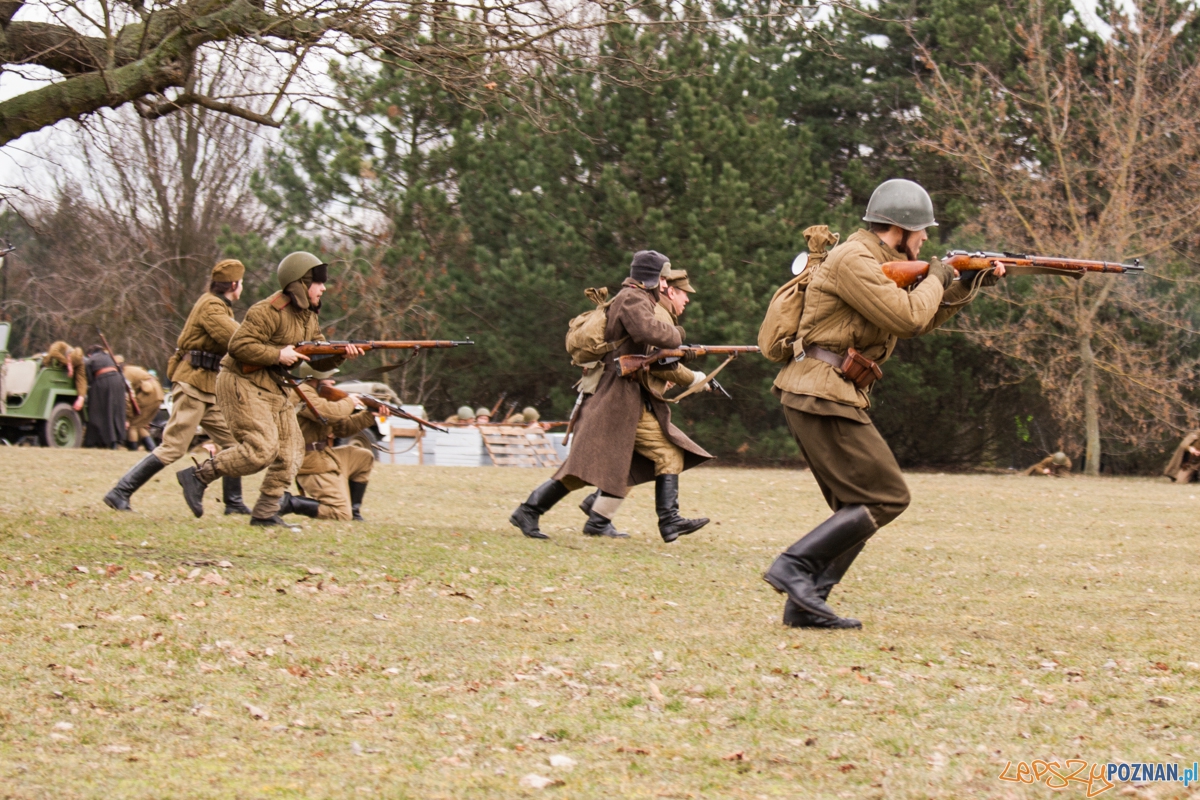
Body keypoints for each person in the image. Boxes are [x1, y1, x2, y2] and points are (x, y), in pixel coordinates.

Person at [762, 179, 1005, 630]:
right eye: (923, 230)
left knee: (857, 507)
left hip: (827, 392)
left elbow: (919, 318)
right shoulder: (854, 259)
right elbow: (907, 317)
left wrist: (966, 284)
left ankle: (807, 603)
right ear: (902, 227)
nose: (926, 238)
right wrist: (939, 276)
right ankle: (793, 567)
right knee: (887, 496)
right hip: (821, 391)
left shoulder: (876, 262)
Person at [510, 250, 712, 542]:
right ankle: (667, 521)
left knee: (606, 465)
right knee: (593, 466)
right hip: (617, 398)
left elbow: (648, 350)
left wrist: (678, 353)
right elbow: (648, 332)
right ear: (653, 278)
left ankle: (549, 514)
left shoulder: (635, 298)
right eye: (663, 278)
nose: (665, 285)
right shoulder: (632, 299)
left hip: (623, 397)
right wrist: (678, 337)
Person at [175, 252, 361, 525]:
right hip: (242, 383)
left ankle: (265, 513)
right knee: (261, 450)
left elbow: (318, 358)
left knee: (292, 454)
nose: (323, 288)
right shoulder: (268, 310)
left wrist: (341, 354)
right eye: (318, 282)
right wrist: (277, 354)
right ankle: (198, 476)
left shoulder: (308, 317)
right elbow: (238, 346)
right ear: (300, 283)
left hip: (276, 389)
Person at [103, 259, 251, 514]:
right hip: (193, 383)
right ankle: (120, 492)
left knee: (235, 443)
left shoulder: (220, 306)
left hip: (208, 387)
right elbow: (236, 338)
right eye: (242, 282)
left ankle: (234, 503)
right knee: (174, 446)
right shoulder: (211, 305)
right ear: (234, 284)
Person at [281, 363, 388, 521]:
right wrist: (350, 402)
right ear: (316, 378)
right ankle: (290, 503)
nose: (332, 382)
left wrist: (370, 415)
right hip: (309, 462)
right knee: (340, 513)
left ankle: (354, 511)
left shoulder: (318, 395)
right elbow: (328, 413)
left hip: (324, 456)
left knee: (364, 457)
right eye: (329, 378)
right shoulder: (301, 393)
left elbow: (342, 428)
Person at [82, 345, 128, 448]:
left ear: (89, 354)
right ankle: (115, 441)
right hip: (118, 382)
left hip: (103, 382)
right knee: (116, 412)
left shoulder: (91, 360)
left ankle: (96, 441)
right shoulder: (111, 357)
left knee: (97, 413)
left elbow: (89, 379)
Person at [120, 362, 165, 451]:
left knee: (133, 424)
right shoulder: (132, 369)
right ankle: (152, 449)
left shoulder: (125, 374)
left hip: (149, 395)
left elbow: (128, 397)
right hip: (158, 394)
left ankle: (133, 449)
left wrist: (128, 417)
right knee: (141, 425)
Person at [44, 341, 87, 410]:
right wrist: (68, 363)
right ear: (69, 355)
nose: (73, 366)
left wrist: (81, 398)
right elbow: (53, 351)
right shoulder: (62, 345)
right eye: (72, 363)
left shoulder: (79, 363)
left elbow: (81, 379)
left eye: (74, 365)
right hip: (44, 368)